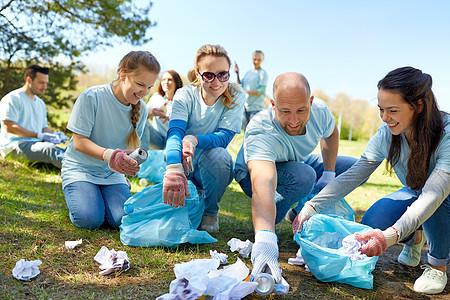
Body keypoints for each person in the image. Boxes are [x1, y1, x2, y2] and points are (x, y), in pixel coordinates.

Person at [293, 66, 449, 294]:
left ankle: (438, 264)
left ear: (418, 106)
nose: (385, 118)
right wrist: (313, 205)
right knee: (374, 220)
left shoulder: (445, 134)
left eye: (392, 110)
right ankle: (416, 237)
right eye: (381, 110)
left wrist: (388, 237)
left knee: (438, 203)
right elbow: (356, 173)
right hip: (417, 192)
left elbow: (433, 194)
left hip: (443, 196)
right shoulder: (387, 133)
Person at [234, 72, 358, 283]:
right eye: (285, 111)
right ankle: (269, 224)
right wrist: (265, 239)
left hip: (296, 160)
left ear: (311, 102)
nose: (293, 120)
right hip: (253, 172)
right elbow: (263, 181)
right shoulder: (260, 128)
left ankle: (300, 213)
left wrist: (329, 173)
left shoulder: (319, 110)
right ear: (273, 104)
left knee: (352, 168)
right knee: (304, 176)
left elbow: (330, 133)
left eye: (301, 110)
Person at [61, 51, 160, 229]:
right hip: (81, 169)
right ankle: (82, 193)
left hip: (111, 174)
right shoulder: (92, 97)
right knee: (89, 220)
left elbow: (125, 147)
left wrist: (126, 162)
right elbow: (79, 142)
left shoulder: (142, 110)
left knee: (121, 220)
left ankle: (104, 195)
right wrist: (110, 156)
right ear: (123, 74)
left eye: (149, 87)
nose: (144, 92)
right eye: (140, 84)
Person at [162, 44, 245, 233]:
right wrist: (174, 169)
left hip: (210, 166)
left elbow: (224, 137)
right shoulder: (185, 94)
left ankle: (210, 211)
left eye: (223, 74)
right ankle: (190, 191)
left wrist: (193, 139)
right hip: (184, 161)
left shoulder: (236, 94)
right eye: (208, 75)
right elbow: (175, 132)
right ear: (198, 75)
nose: (216, 82)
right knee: (173, 218)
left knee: (220, 156)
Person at [0, 65, 68, 168]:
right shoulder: (12, 99)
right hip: (14, 146)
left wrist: (55, 135)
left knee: (67, 150)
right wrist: (38, 135)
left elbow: (44, 128)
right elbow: (9, 127)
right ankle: (82, 172)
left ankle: (91, 168)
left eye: (46, 83)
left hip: (36, 145)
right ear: (29, 80)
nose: (44, 87)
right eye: (41, 82)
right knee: (49, 149)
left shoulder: (40, 103)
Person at [142, 70, 183, 150]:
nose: (166, 82)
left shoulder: (182, 101)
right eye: (163, 79)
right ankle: (143, 156)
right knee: (143, 122)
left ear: (176, 82)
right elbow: (144, 115)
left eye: (170, 80)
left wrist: (172, 120)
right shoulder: (156, 97)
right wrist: (153, 112)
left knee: (166, 156)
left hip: (174, 139)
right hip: (158, 138)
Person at [234, 50, 268, 130]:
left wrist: (246, 92)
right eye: (254, 59)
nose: (256, 61)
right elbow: (240, 85)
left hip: (256, 108)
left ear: (262, 60)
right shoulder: (248, 73)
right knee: (246, 131)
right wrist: (237, 73)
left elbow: (261, 91)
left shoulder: (262, 73)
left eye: (259, 60)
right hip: (246, 107)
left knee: (254, 131)